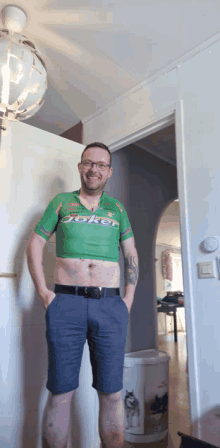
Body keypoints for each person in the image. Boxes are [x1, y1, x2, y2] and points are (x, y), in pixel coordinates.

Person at [26, 142, 139, 448]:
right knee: (61, 392)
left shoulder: (117, 209)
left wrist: (127, 299)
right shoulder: (62, 202)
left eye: (101, 165)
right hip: (66, 304)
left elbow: (130, 253)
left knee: (113, 392)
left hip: (110, 305)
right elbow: (35, 244)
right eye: (88, 163)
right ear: (80, 167)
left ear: (109, 172)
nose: (94, 169)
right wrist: (44, 293)